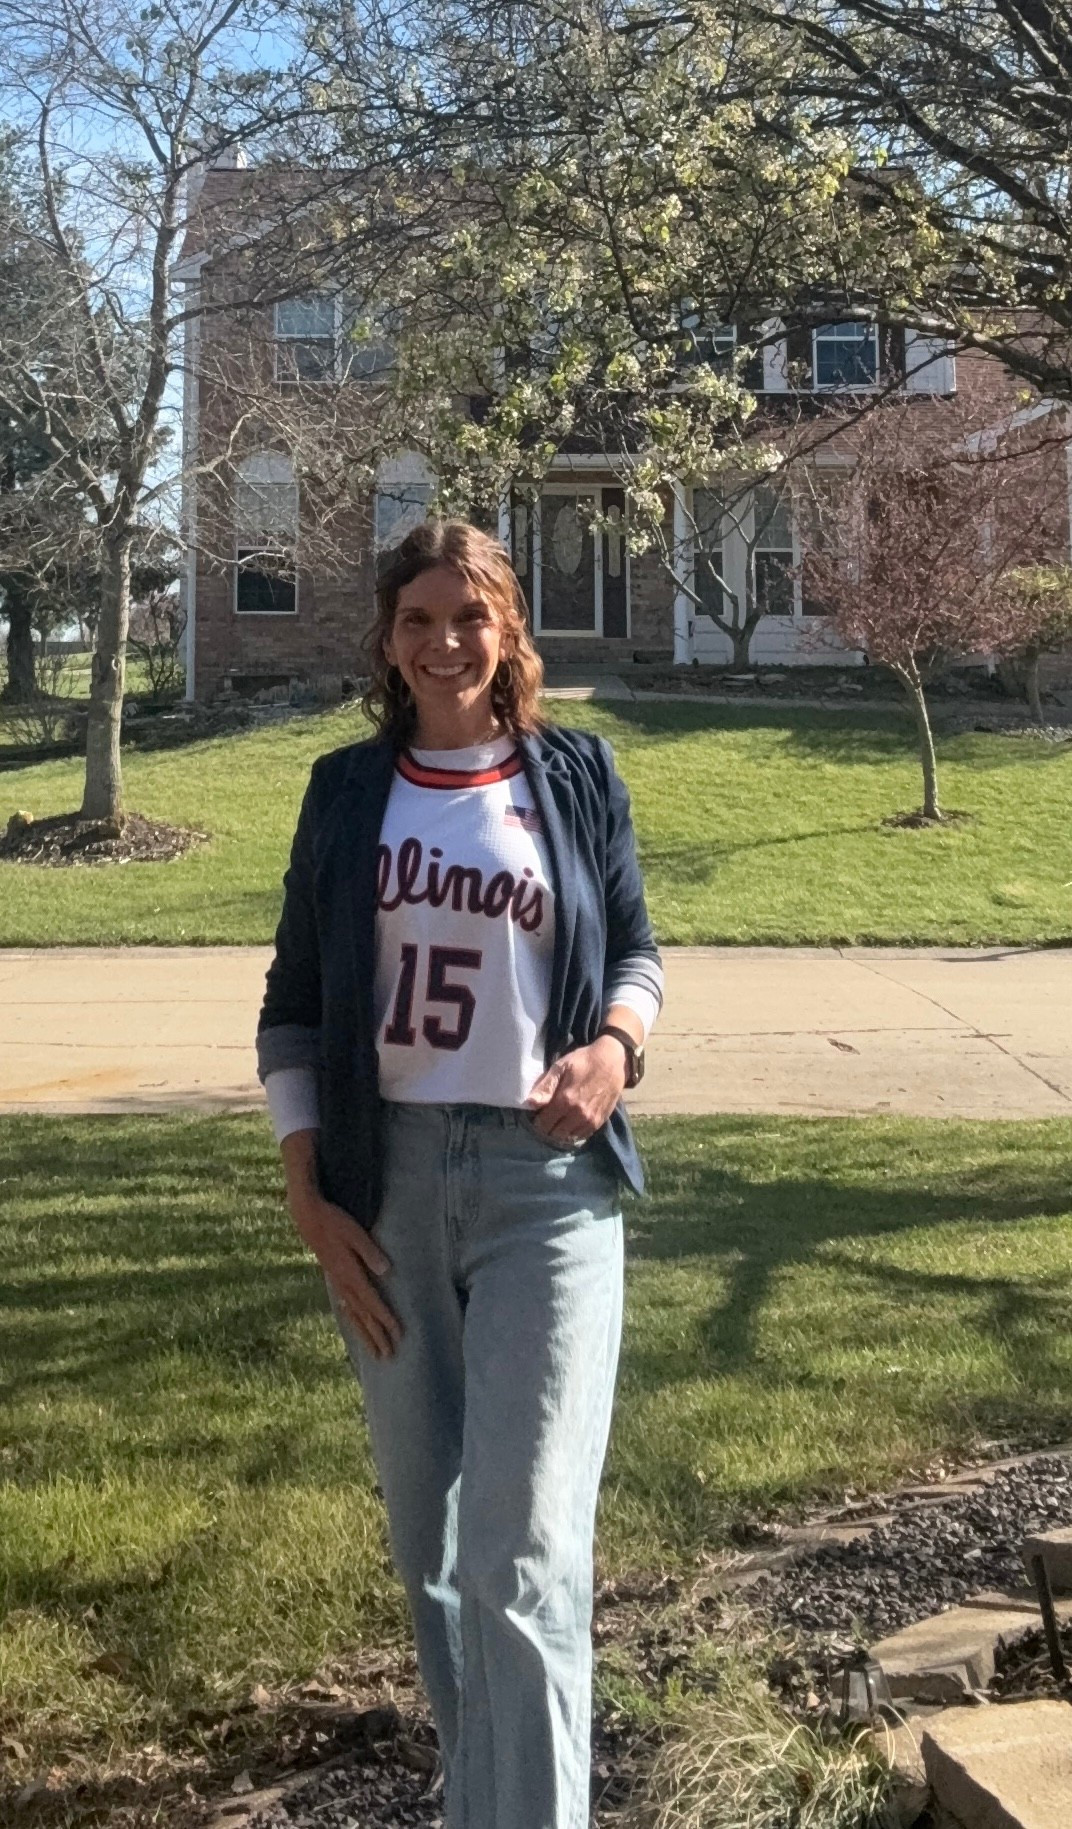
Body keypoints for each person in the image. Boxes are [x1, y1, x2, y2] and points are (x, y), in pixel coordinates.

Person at [257, 519, 662, 1829]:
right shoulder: (342, 792)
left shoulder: (575, 776)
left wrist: (612, 1049)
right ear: (387, 639)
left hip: (544, 1186)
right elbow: (294, 1009)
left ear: (508, 630)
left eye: (470, 616)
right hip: (382, 1193)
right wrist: (308, 1192)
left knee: (521, 1548)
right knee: (433, 1557)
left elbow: (640, 954)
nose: (445, 644)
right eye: (420, 619)